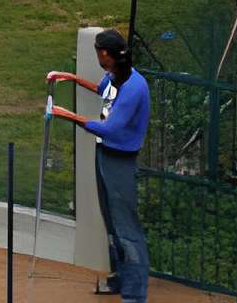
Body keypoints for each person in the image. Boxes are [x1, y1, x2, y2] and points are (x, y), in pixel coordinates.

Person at [48, 28, 150, 298]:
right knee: (112, 222)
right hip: (104, 155)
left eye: (98, 53)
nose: (98, 58)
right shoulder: (115, 77)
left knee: (127, 229)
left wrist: (65, 114)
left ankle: (135, 294)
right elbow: (100, 90)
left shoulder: (133, 88)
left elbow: (111, 129)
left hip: (120, 161)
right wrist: (69, 78)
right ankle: (119, 278)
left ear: (106, 55)